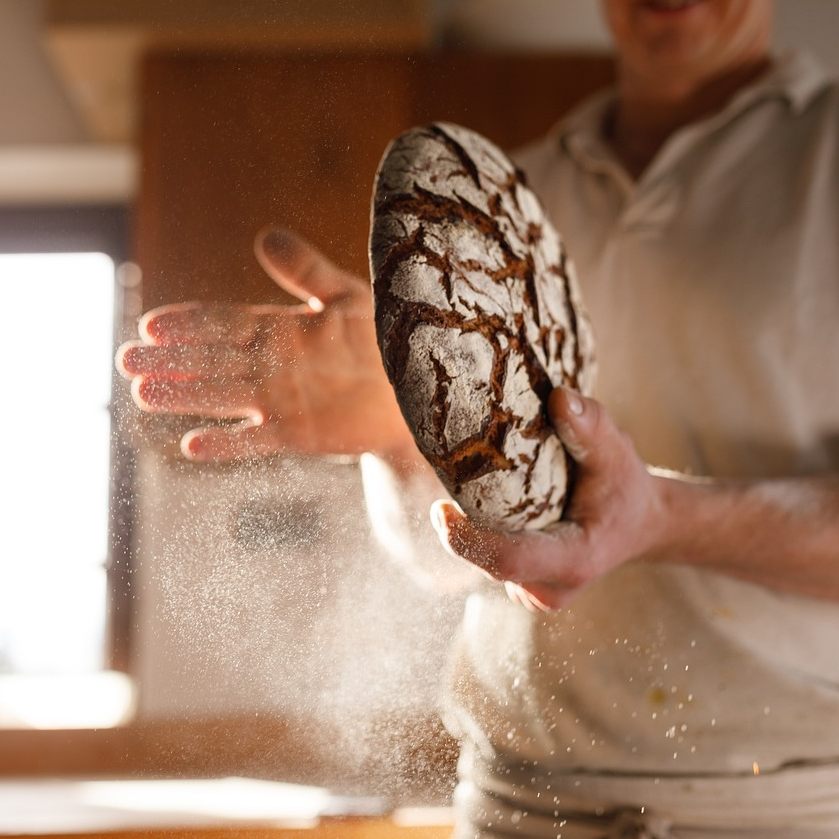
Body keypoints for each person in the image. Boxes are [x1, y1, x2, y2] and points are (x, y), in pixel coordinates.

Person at [118, 0, 839, 835]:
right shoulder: (496, 197)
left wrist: (667, 518)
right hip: (509, 805)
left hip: (787, 807)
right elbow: (458, 560)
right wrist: (399, 434)